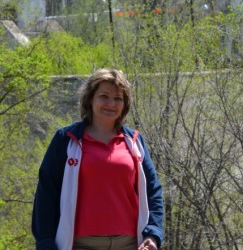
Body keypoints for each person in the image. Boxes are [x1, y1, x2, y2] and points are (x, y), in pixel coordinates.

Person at [32, 68, 164, 250]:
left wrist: (153, 233)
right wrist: (45, 242)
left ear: (125, 104)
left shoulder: (134, 141)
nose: (111, 103)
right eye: (104, 96)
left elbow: (153, 191)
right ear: (90, 99)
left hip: (131, 243)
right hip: (79, 244)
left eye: (118, 98)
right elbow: (46, 193)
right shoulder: (66, 140)